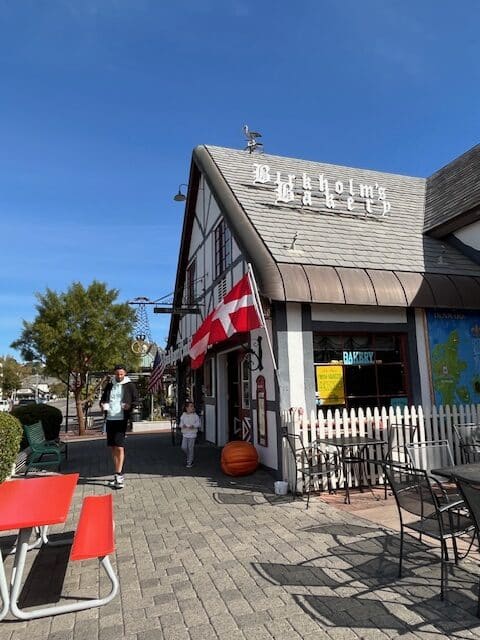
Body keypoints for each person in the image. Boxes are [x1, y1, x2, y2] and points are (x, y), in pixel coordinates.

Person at [100, 364, 138, 489]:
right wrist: (103, 405)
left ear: (125, 373)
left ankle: (120, 475)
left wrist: (129, 406)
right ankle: (116, 473)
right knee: (113, 447)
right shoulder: (110, 384)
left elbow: (136, 400)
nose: (119, 376)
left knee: (120, 447)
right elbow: (103, 399)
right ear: (114, 374)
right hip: (110, 418)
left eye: (122, 374)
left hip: (121, 418)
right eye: (117, 374)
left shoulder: (130, 385)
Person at [179, 400, 201, 468]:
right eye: (191, 406)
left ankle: (190, 462)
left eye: (193, 406)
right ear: (187, 408)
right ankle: (189, 456)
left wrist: (194, 426)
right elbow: (180, 423)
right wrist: (183, 425)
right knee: (184, 447)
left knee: (190, 448)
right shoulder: (183, 415)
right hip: (185, 433)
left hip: (192, 434)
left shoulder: (195, 416)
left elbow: (199, 424)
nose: (192, 407)